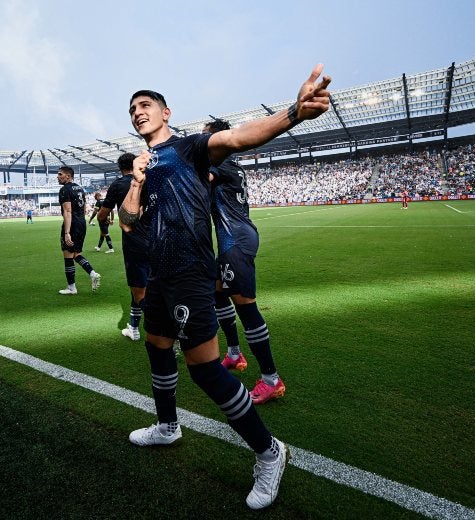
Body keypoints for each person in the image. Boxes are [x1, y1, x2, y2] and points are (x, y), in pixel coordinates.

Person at [119, 64, 331, 510]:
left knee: (205, 371)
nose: (138, 113)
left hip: (192, 273)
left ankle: (269, 452)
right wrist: (136, 179)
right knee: (157, 346)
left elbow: (238, 139)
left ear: (165, 112)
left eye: (146, 105)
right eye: (132, 109)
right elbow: (128, 220)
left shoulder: (188, 147)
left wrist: (294, 112)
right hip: (158, 275)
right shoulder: (142, 166)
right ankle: (168, 426)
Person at [203, 118, 285, 405]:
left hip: (235, 239)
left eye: (206, 138)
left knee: (246, 307)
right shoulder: (229, 163)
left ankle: (271, 379)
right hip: (232, 237)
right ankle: (235, 354)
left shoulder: (221, 161)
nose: (204, 144)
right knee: (217, 292)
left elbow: (201, 181)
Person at [98, 153, 150, 341]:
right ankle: (133, 326)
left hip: (134, 240)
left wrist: (101, 219)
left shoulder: (118, 185)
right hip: (156, 238)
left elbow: (103, 214)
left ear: (120, 167)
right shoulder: (148, 179)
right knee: (148, 285)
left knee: (138, 288)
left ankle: (168, 329)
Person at [57, 166, 101, 295]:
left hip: (73, 223)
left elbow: (68, 211)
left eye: (60, 174)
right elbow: (84, 208)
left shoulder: (65, 190)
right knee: (76, 253)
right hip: (81, 222)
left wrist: (67, 233)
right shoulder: (80, 188)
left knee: (68, 254)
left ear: (68, 176)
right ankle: (92, 273)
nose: (58, 176)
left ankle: (72, 288)